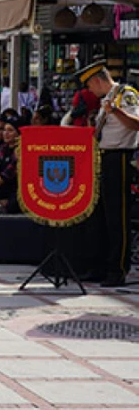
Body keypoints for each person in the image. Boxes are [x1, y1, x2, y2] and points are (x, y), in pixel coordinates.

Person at [80, 60, 139, 287]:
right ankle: (100, 266)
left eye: (90, 86)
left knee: (117, 217)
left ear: (97, 80)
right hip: (103, 157)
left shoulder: (125, 94)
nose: (90, 92)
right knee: (101, 216)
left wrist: (115, 111)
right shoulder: (107, 100)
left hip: (120, 158)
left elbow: (136, 124)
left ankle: (118, 268)